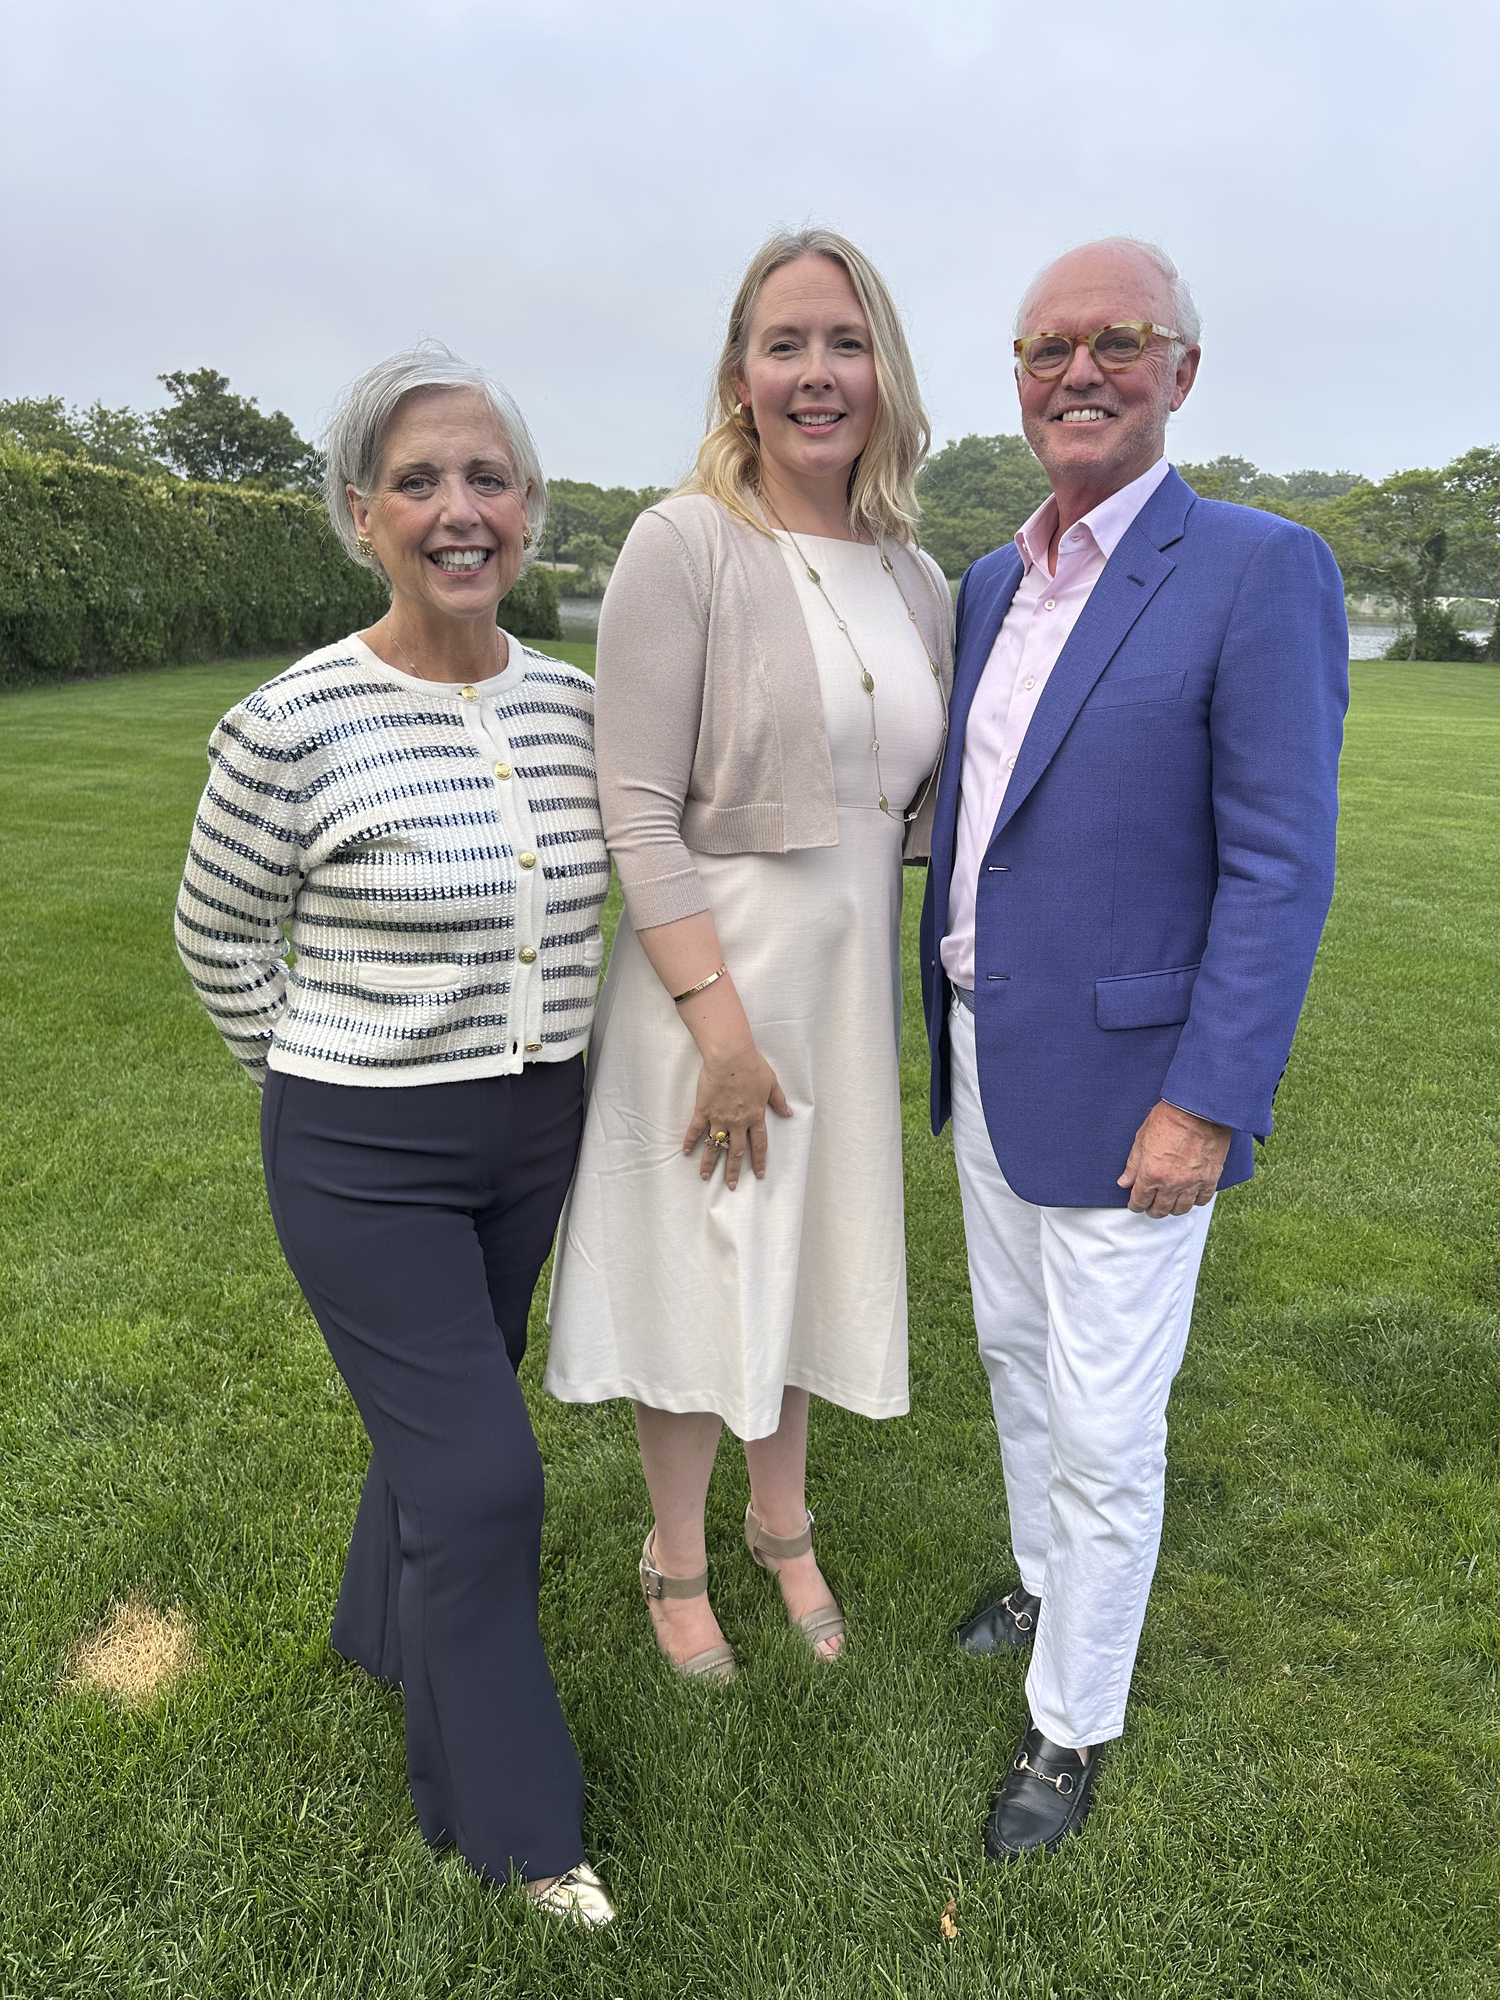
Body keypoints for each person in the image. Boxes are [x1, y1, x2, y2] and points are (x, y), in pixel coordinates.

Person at [174, 347, 614, 1924]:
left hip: (532, 1133)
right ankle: (515, 1832)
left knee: (452, 1426)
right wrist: (308, 1077)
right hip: (361, 1154)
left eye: (486, 477)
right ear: (362, 514)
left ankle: (383, 1629)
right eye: (419, 482)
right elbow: (216, 939)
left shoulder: (576, 709)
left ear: (529, 509)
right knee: (489, 1480)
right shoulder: (287, 724)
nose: (458, 510)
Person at [921, 240, 1347, 1857]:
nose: (1077, 370)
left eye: (1118, 341)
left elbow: (1278, 866)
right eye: (1046, 345)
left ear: (1182, 371)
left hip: (1136, 1099)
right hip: (988, 1062)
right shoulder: (989, 580)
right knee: (1020, 1366)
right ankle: (1041, 1583)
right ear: (1017, 377)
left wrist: (1207, 1103)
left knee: (1109, 1423)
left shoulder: (1256, 567)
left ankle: (1069, 1725)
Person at [546, 228, 952, 1679]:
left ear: (884, 372)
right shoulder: (685, 544)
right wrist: (717, 1025)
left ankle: (784, 1528)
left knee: (796, 1256)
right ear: (739, 375)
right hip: (710, 979)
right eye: (784, 345)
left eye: (844, 343)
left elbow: (911, 812)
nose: (816, 373)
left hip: (838, 993)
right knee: (696, 1259)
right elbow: (636, 808)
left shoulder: (916, 576)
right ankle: (674, 1555)